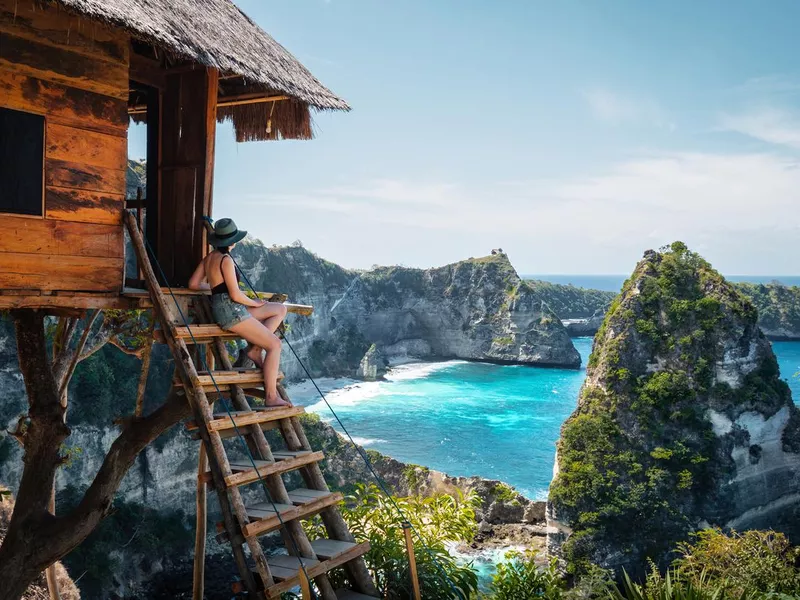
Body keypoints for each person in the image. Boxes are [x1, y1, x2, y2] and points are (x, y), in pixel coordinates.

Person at [188, 218, 289, 407]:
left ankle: (255, 349)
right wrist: (255, 303)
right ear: (233, 241)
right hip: (231, 311)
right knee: (275, 345)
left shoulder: (210, 258)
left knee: (280, 309)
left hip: (228, 308)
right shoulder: (226, 260)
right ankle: (271, 397)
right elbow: (235, 295)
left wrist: (215, 289)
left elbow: (193, 284)